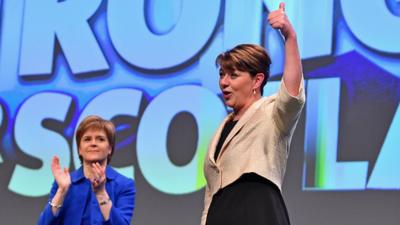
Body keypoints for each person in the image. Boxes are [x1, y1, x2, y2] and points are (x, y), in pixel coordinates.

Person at [201, 3, 305, 225]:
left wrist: (290, 37)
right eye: (222, 74)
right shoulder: (222, 128)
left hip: (257, 212)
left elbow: (292, 95)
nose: (224, 82)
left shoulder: (272, 113)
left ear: (257, 80)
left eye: (233, 75)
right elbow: (211, 194)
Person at [38, 115, 135, 225]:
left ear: (110, 149)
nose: (93, 143)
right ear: (80, 149)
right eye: (87, 139)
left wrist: (101, 193)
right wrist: (61, 192)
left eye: (100, 139)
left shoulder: (124, 185)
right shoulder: (63, 183)